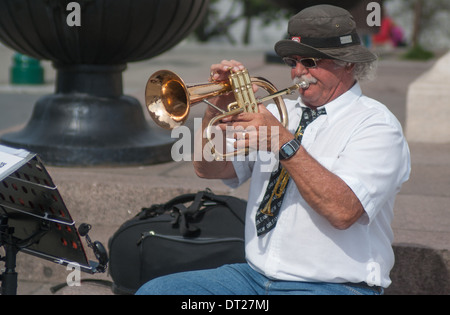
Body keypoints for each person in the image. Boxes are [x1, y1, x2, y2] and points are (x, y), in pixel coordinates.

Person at [136, 4, 411, 295]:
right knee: (155, 292)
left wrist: (283, 143)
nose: (298, 73)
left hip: (334, 285)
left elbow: (342, 211)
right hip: (253, 278)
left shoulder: (376, 125)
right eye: (293, 62)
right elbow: (210, 168)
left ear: (347, 63)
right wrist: (213, 109)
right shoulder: (279, 113)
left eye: (310, 61)